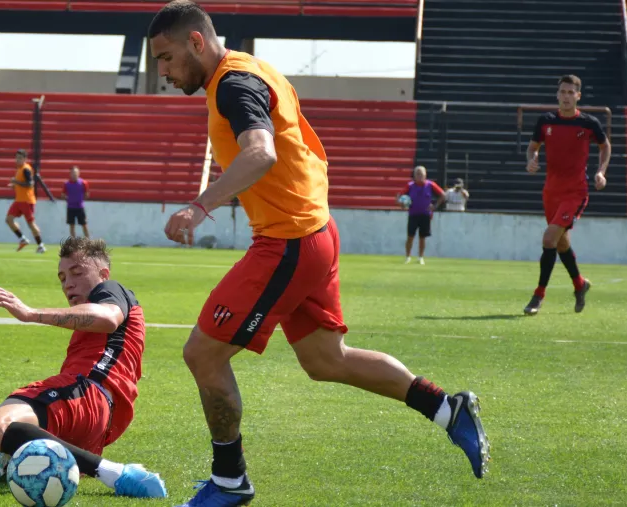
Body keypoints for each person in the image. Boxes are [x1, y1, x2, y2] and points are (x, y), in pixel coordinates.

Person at [148, 2, 490, 506]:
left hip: (288, 241)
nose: (163, 72)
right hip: (314, 231)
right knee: (326, 359)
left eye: (166, 57)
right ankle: (447, 410)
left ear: (196, 42)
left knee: (202, 353)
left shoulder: (233, 83)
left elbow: (261, 150)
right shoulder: (250, 67)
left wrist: (200, 207)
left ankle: (229, 480)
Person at [0, 237, 167, 499]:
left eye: (77, 273)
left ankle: (115, 473)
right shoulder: (92, 316)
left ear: (103, 273)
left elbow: (107, 318)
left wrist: (31, 314)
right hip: (92, 423)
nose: (68, 283)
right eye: (61, 277)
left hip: (86, 394)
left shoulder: (110, 290)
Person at [523, 74, 609, 316]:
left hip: (575, 192)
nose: (567, 96)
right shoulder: (545, 121)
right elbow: (533, 147)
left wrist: (601, 172)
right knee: (561, 242)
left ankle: (538, 295)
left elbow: (605, 146)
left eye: (571, 92)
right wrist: (532, 160)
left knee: (549, 239)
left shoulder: (589, 123)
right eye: (563, 92)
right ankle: (580, 284)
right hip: (551, 191)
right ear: (557, 94)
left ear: (578, 96)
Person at [396, 165, 446, 265]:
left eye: (421, 174)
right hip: (413, 214)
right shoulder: (410, 186)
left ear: (425, 175)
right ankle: (407, 257)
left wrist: (435, 206)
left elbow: (443, 195)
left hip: (425, 215)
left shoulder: (430, 185)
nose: (419, 176)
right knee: (410, 236)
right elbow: (399, 196)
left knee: (422, 237)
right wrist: (401, 204)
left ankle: (420, 257)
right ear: (414, 175)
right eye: (417, 174)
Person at [7, 149, 46, 253]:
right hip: (19, 200)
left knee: (31, 224)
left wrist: (16, 182)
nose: (17, 160)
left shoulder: (26, 169)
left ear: (25, 159)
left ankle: (41, 245)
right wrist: (14, 185)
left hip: (27, 201)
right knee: (9, 219)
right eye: (16, 157)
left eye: (20, 158)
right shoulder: (19, 169)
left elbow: (30, 184)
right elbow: (23, 184)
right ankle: (22, 239)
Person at [63, 166, 90, 238]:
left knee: (84, 224)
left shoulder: (83, 183)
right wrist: (68, 199)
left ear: (78, 173)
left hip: (79, 207)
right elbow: (63, 194)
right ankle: (73, 242)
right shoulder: (66, 184)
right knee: (72, 225)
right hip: (70, 207)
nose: (74, 174)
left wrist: (79, 200)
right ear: (70, 174)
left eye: (75, 173)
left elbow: (87, 194)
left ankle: (88, 241)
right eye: (72, 173)